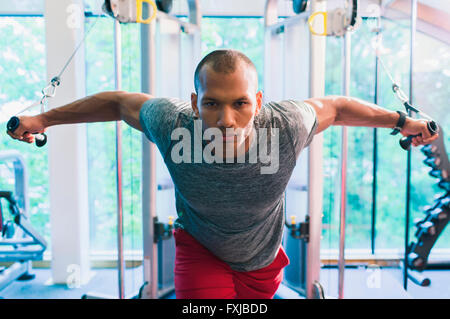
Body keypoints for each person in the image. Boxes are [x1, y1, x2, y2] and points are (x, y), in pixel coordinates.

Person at [7, 49, 438, 299]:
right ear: (195, 102)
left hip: (264, 259)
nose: (226, 119)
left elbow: (339, 108)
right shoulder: (173, 122)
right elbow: (120, 102)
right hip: (200, 249)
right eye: (212, 103)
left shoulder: (285, 125)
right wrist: (44, 118)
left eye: (240, 104)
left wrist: (401, 121)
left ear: (259, 101)